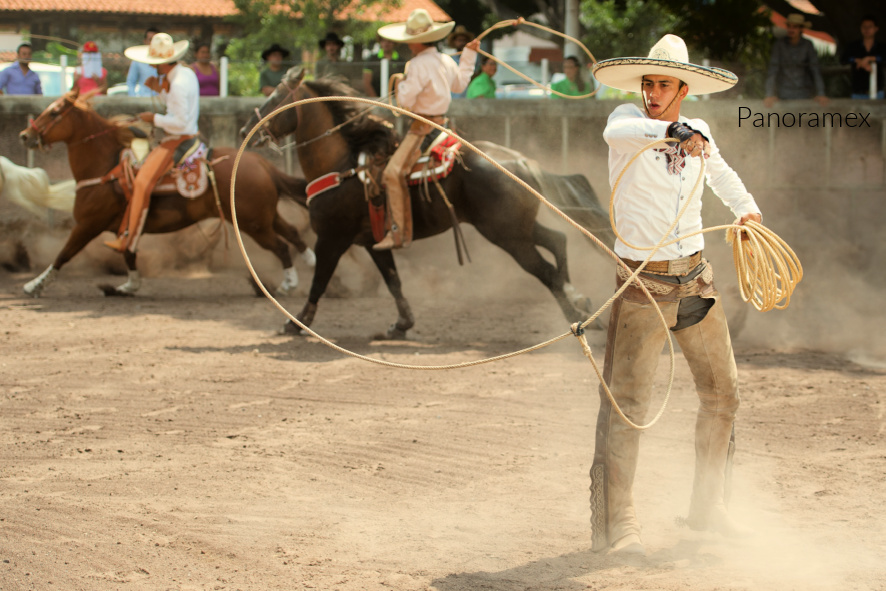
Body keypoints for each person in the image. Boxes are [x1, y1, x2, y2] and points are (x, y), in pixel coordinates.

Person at [589, 34, 762, 555]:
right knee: (629, 403)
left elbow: (721, 172)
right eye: (649, 83)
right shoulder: (625, 122)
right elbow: (625, 130)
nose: (652, 92)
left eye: (663, 84)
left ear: (683, 87)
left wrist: (747, 209)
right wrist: (675, 130)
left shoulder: (700, 133)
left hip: (694, 280)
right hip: (642, 281)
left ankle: (709, 508)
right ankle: (620, 523)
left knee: (723, 392)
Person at [373, 9, 478, 250]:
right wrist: (469, 56)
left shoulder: (417, 64)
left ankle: (398, 232)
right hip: (442, 124)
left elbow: (406, 102)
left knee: (391, 173)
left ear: (417, 41)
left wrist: (400, 82)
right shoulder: (445, 59)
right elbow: (460, 83)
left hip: (422, 129)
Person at [104, 33, 198, 253]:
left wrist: (152, 118)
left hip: (178, 140)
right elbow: (179, 108)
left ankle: (128, 239)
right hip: (184, 135)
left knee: (141, 183)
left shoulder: (177, 85)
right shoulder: (185, 74)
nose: (153, 68)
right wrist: (160, 90)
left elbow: (181, 123)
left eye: (155, 64)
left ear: (163, 64)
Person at [764, 13, 828, 107]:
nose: (791, 29)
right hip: (783, 93)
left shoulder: (807, 45)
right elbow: (773, 70)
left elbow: (815, 69)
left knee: (804, 119)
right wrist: (769, 94)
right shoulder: (780, 45)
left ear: (801, 29)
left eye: (795, 27)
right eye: (789, 26)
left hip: (804, 92)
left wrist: (821, 93)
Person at [841, 15, 885, 100]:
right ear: (860, 28)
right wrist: (858, 61)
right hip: (858, 91)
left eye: (870, 27)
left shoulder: (881, 47)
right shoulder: (853, 46)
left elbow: (883, 58)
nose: (867, 29)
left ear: (876, 29)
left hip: (878, 91)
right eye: (864, 27)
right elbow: (843, 59)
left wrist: (870, 59)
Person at [127, 27, 160, 97]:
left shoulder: (166, 60)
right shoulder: (138, 60)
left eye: (155, 40)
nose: (153, 43)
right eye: (150, 39)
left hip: (162, 100)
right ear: (145, 41)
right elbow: (131, 81)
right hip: (144, 98)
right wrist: (134, 98)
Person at [447, 24, 475, 98]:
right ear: (454, 42)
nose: (462, 43)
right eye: (459, 40)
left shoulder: (471, 58)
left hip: (467, 97)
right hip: (452, 97)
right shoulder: (449, 59)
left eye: (464, 40)